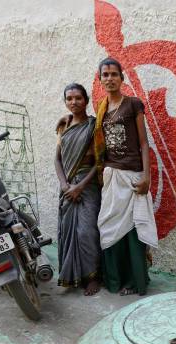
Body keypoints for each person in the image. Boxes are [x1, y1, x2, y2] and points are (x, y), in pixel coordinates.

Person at [93, 57, 158, 296]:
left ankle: (135, 281)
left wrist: (147, 178)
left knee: (132, 231)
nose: (110, 78)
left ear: (122, 77)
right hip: (111, 177)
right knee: (109, 227)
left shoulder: (133, 104)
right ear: (100, 80)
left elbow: (143, 143)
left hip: (132, 177)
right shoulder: (101, 109)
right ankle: (114, 279)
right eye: (105, 75)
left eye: (114, 74)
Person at [54, 83, 101, 296]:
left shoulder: (93, 126)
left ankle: (92, 277)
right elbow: (57, 159)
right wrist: (65, 185)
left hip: (87, 185)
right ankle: (73, 276)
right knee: (67, 229)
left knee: (86, 231)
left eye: (78, 98)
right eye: (69, 98)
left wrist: (79, 186)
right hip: (67, 185)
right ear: (65, 101)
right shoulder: (63, 126)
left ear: (86, 100)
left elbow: (100, 161)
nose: (74, 102)